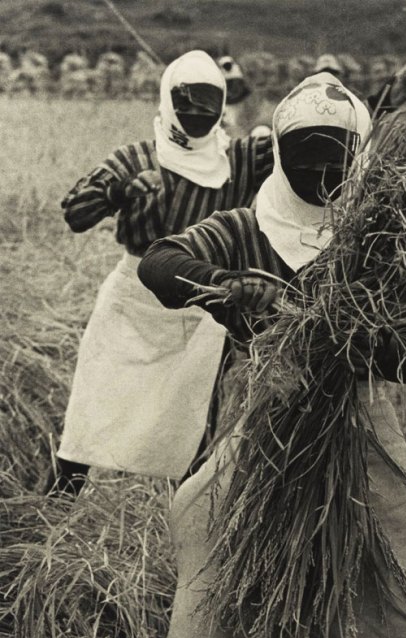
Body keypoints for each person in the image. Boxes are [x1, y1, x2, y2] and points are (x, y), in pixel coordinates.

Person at [138, 71, 406, 638]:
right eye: (305, 155)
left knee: (402, 593)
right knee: (243, 594)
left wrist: (376, 341)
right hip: (264, 442)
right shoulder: (246, 228)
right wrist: (228, 289)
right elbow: (160, 262)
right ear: (279, 155)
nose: (322, 171)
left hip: (358, 446)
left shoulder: (379, 237)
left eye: (336, 157)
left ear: (359, 156)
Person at [46, 50, 274, 497]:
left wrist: (282, 131)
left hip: (202, 301)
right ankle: (61, 496)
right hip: (132, 299)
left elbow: (299, 153)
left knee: (192, 416)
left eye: (208, 108)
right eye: (186, 106)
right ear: (168, 101)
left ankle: (185, 508)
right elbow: (75, 213)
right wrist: (121, 190)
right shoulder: (136, 158)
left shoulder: (237, 160)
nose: (195, 116)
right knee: (96, 398)